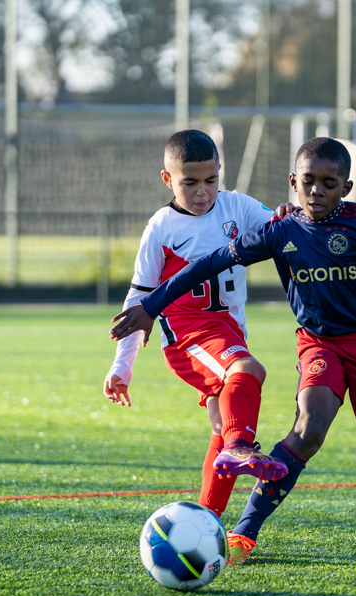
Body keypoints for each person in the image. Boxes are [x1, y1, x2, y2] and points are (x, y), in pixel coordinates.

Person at [111, 138, 356, 564]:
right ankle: (243, 533)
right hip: (319, 345)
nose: (317, 191)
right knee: (307, 429)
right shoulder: (280, 231)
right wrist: (149, 308)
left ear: (346, 187)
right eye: (308, 181)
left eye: (328, 183)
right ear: (292, 183)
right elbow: (209, 264)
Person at [103, 129, 287, 519]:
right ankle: (241, 447)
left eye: (210, 180)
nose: (203, 192)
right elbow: (139, 297)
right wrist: (123, 364)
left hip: (228, 332)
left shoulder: (235, 206)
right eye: (190, 183)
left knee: (222, 424)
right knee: (248, 370)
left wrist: (290, 215)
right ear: (168, 179)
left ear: (220, 172)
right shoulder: (161, 227)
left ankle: (207, 522)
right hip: (188, 335)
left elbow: (279, 228)